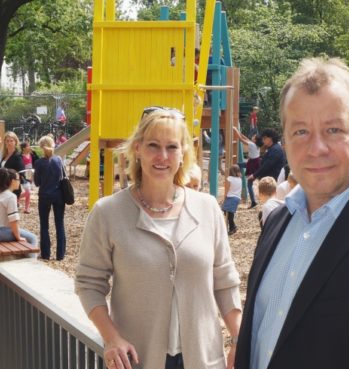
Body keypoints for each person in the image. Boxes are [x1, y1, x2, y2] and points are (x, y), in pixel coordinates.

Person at [234, 57, 349, 369]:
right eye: (301, 131)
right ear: (286, 139)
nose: (316, 148)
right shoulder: (277, 219)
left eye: (333, 129)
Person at [75, 108, 242, 369]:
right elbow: (89, 283)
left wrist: (238, 338)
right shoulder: (108, 213)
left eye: (172, 147)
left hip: (202, 358)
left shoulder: (207, 208)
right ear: (138, 148)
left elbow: (225, 281)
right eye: (153, 145)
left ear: (183, 153)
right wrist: (112, 338)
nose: (163, 156)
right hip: (138, 358)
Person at [0, 168, 37, 248]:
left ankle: (28, 257)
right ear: (12, 181)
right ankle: (32, 260)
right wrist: (18, 237)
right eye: (18, 179)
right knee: (33, 238)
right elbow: (13, 221)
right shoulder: (10, 196)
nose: (19, 181)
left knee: (24, 233)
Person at [34, 136, 66, 260]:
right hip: (59, 195)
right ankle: (60, 254)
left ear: (41, 147)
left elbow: (37, 182)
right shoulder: (59, 160)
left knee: (44, 225)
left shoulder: (39, 163)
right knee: (59, 224)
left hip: (44, 196)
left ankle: (46, 254)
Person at [233, 127, 262, 208]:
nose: (252, 136)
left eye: (254, 136)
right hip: (253, 163)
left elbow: (242, 140)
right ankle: (237, 174)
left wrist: (235, 130)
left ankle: (253, 202)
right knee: (238, 165)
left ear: (255, 140)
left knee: (249, 184)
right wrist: (239, 132)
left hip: (252, 164)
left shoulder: (252, 144)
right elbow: (245, 138)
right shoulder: (255, 144)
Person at [0, 131, 25, 200]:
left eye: (11, 141)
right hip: (3, 187)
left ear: (15, 142)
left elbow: (21, 172)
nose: (9, 143)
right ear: (5, 142)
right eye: (7, 141)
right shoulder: (4, 155)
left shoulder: (17, 156)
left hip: (12, 188)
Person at [222, 164, 242, 235]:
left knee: (227, 212)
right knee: (229, 213)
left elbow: (227, 189)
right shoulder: (240, 179)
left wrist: (224, 197)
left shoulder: (229, 178)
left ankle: (232, 227)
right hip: (237, 198)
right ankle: (232, 227)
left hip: (230, 197)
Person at [20, 141, 38, 214]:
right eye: (28, 146)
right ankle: (16, 199)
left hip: (30, 174)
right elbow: (20, 166)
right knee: (28, 191)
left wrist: (34, 152)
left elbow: (37, 160)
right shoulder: (21, 156)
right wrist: (21, 175)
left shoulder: (31, 154)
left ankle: (27, 208)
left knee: (29, 192)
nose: (29, 147)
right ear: (24, 148)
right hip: (24, 174)